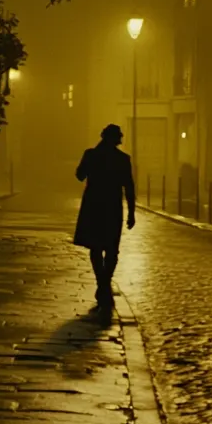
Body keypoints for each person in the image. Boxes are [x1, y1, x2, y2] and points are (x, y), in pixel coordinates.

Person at [74, 124, 135, 307]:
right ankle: (104, 282)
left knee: (95, 247)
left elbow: (79, 175)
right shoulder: (123, 159)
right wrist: (131, 212)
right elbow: (129, 187)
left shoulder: (91, 155)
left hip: (93, 205)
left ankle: (102, 283)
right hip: (112, 207)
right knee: (112, 249)